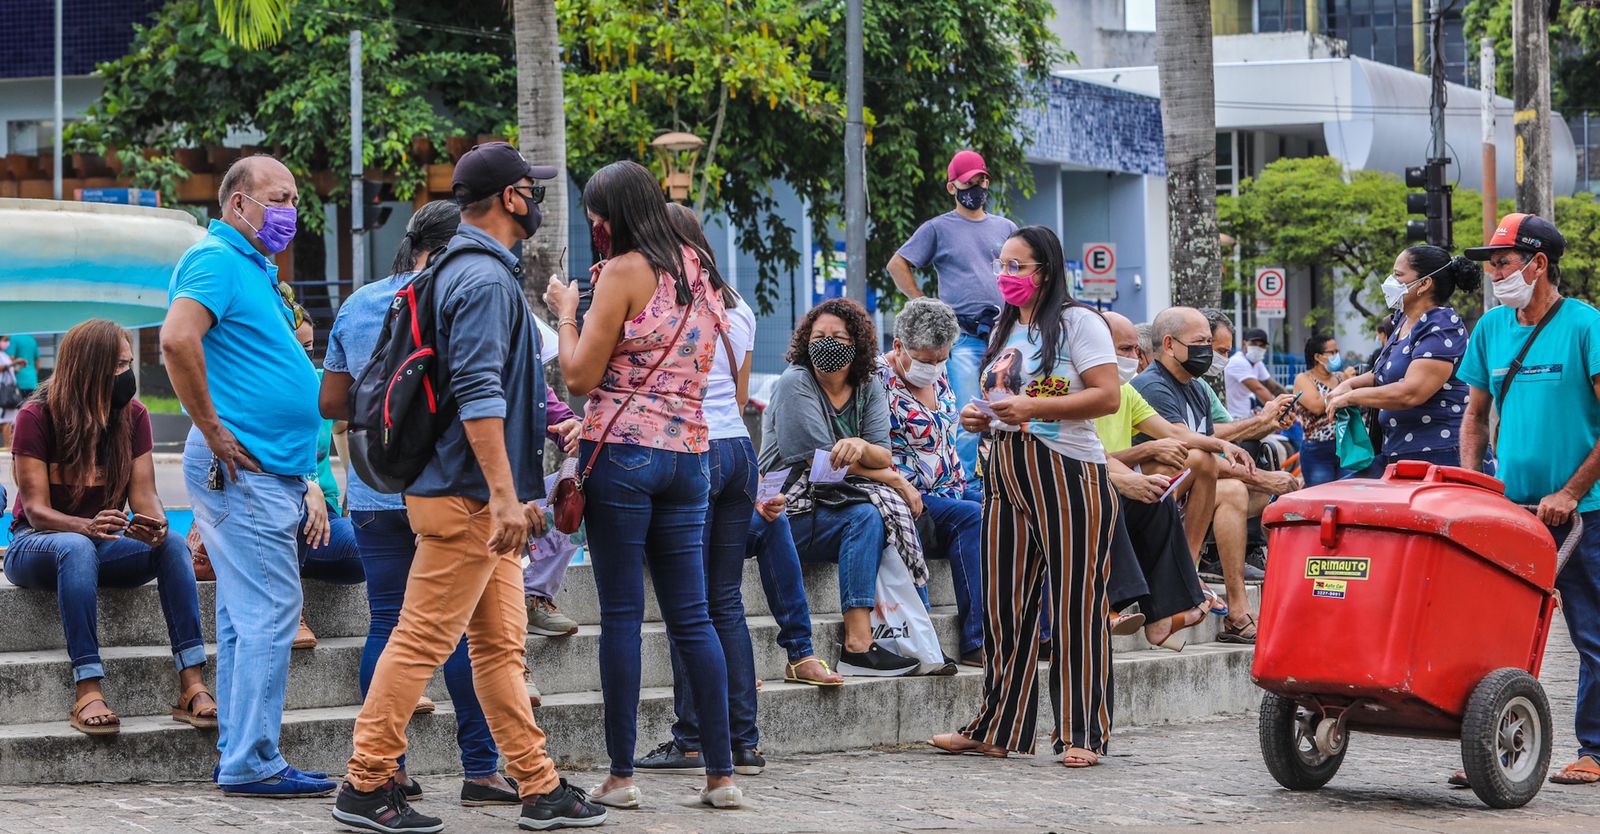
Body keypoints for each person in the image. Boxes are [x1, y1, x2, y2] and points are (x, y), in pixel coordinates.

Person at [335, 143, 604, 833]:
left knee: (498, 648)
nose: (535, 200)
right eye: (529, 189)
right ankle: (365, 781)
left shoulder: (456, 269)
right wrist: (506, 496)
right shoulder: (482, 279)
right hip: (469, 498)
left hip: (464, 492)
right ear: (510, 197)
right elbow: (480, 393)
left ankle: (539, 786)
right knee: (421, 640)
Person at [545, 159, 741, 811]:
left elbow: (579, 377)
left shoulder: (620, 273)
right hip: (690, 455)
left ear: (612, 216)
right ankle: (721, 775)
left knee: (624, 617)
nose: (594, 227)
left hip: (624, 454)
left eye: (595, 216)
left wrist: (566, 314)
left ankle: (621, 776)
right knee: (693, 617)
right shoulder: (700, 269)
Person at [161, 154, 335, 798]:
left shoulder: (250, 266)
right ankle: (253, 759)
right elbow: (176, 340)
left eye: (294, 200)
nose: (291, 211)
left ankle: (241, 751)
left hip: (267, 468)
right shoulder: (215, 260)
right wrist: (211, 428)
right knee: (270, 610)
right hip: (244, 468)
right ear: (239, 203)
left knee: (244, 617)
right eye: (279, 198)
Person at [930, 225, 1121, 768]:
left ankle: (1083, 732)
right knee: (1003, 602)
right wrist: (980, 416)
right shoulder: (1005, 324)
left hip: (1067, 470)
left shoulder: (1079, 323)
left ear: (1046, 270)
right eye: (1002, 265)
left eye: (1018, 266)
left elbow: (1106, 396)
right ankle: (999, 726)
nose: (1006, 275)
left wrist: (1034, 408)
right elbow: (1002, 397)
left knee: (1076, 603)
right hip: (1005, 465)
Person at [3, 319, 214, 736]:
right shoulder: (36, 415)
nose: (127, 374)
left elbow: (145, 496)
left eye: (129, 363)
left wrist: (155, 525)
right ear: (89, 366)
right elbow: (37, 510)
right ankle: (87, 688)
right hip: (35, 544)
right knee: (76, 547)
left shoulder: (134, 416)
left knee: (172, 544)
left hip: (100, 544)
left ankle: (192, 683)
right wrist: (85, 526)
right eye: (119, 365)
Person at [1458, 213, 1600, 787]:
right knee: (1496, 636)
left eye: (1503, 262)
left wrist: (1570, 491)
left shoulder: (1586, 325)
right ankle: (1493, 750)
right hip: (1511, 513)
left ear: (1538, 264)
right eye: (1492, 264)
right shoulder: (1491, 328)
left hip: (1584, 515)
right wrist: (1471, 485)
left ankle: (1595, 750)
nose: (1494, 273)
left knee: (1593, 634)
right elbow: (1474, 416)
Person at [633, 202, 766, 779]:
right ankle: (743, 741)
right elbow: (737, 394)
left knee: (687, 605)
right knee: (725, 602)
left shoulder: (670, 304)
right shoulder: (737, 306)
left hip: (695, 450)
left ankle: (692, 737)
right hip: (739, 451)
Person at [758, 297, 924, 678]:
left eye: (837, 336)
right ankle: (858, 645)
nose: (826, 343)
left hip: (835, 501)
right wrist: (893, 478)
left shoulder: (868, 386)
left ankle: (910, 637)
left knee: (879, 514)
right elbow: (820, 465)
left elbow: (883, 452)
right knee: (867, 514)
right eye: (818, 336)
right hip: (786, 506)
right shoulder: (795, 382)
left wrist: (862, 446)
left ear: (856, 343)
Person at [1134, 307, 1300, 645]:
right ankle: (1186, 573)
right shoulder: (1151, 385)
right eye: (1201, 342)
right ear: (1170, 344)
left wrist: (1265, 427)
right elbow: (1192, 450)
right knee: (1205, 460)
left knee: (1238, 492)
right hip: (1147, 498)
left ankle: (1238, 612)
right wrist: (1262, 473)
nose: (1207, 352)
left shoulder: (1195, 389)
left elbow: (1215, 449)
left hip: (1186, 494)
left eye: (1211, 343)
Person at [1096, 312, 1253, 638]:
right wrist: (1136, 466)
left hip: (1114, 479)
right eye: (1124, 349)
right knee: (1122, 496)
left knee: (1160, 497)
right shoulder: (1083, 391)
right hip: (1088, 484)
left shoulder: (1127, 392)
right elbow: (1088, 454)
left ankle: (1163, 617)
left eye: (1134, 350)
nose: (1134, 358)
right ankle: (1111, 608)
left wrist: (1221, 445)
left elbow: (1173, 432)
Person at [887, 150, 1018, 485]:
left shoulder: (1006, 227)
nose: (978, 187)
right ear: (952, 187)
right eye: (970, 182)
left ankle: (1010, 479)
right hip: (964, 336)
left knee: (1013, 410)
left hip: (1005, 334)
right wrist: (924, 304)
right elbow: (897, 264)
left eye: (982, 180)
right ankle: (964, 484)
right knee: (966, 413)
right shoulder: (938, 228)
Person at [875, 297, 986, 665]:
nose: (935, 367)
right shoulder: (877, 380)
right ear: (898, 346)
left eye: (942, 359)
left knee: (1019, 508)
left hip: (953, 485)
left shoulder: (940, 376)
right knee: (972, 517)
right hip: (911, 495)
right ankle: (977, 639)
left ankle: (1043, 631)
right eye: (926, 360)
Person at [1326, 246, 1481, 472]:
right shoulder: (1402, 321)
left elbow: (1411, 392)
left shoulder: (1442, 327)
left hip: (1440, 456)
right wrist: (1349, 385)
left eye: (1398, 275)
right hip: (1398, 454)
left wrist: (1352, 397)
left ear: (1424, 284)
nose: (1390, 281)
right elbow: (1381, 374)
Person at [1291, 334, 1350, 486]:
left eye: (1337, 351)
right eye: (1332, 352)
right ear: (1317, 357)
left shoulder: (1340, 377)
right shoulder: (1303, 379)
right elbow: (1317, 406)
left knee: (1348, 492)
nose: (1336, 356)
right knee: (1322, 495)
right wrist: (1345, 388)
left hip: (1345, 445)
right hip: (1317, 449)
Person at [1224, 327, 1284, 420]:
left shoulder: (1257, 363)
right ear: (1244, 344)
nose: (1257, 348)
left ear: (1266, 348)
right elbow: (1258, 389)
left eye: (1261, 346)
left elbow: (1273, 387)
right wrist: (1280, 413)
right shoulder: (1237, 362)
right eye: (1254, 344)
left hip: (1245, 415)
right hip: (1232, 417)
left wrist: (1292, 402)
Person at [9, 332, 39, 400]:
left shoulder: (13, 338)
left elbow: (10, 358)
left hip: (18, 380)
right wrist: (34, 373)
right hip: (32, 380)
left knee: (18, 405)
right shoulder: (31, 339)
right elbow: (38, 360)